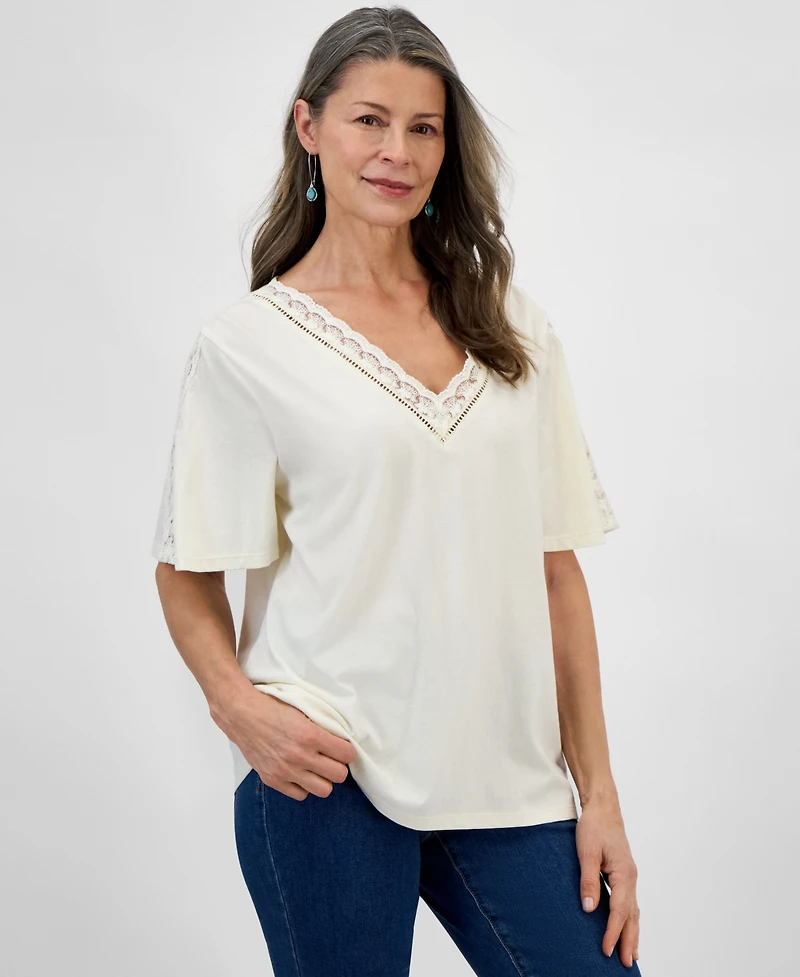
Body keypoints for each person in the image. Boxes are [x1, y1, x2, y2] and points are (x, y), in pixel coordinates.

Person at [151, 6, 642, 975]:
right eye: (368, 120)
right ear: (308, 127)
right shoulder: (246, 347)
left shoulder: (512, 329)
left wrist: (601, 798)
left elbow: (556, 574)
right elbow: (186, 565)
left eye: (423, 128)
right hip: (326, 772)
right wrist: (238, 707)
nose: (397, 153)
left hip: (508, 780)